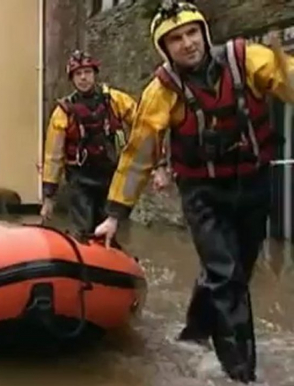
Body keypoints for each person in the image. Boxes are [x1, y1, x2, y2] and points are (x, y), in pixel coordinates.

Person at [93, 1, 294, 382]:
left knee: (235, 272)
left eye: (191, 33)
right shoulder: (160, 92)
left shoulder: (247, 59)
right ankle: (241, 372)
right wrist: (114, 214)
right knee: (228, 275)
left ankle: (196, 328)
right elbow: (138, 156)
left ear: (203, 32)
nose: (187, 44)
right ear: (165, 49)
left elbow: (286, 79)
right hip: (203, 193)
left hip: (253, 184)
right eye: (175, 39)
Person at [40, 50, 137, 239]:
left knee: (110, 228)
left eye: (87, 72)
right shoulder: (64, 112)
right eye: (78, 74)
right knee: (82, 230)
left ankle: (111, 261)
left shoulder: (115, 100)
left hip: (110, 177)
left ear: (95, 74)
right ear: (72, 79)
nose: (83, 78)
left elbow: (144, 125)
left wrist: (152, 162)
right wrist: (49, 196)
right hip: (80, 180)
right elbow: (53, 156)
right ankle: (82, 255)